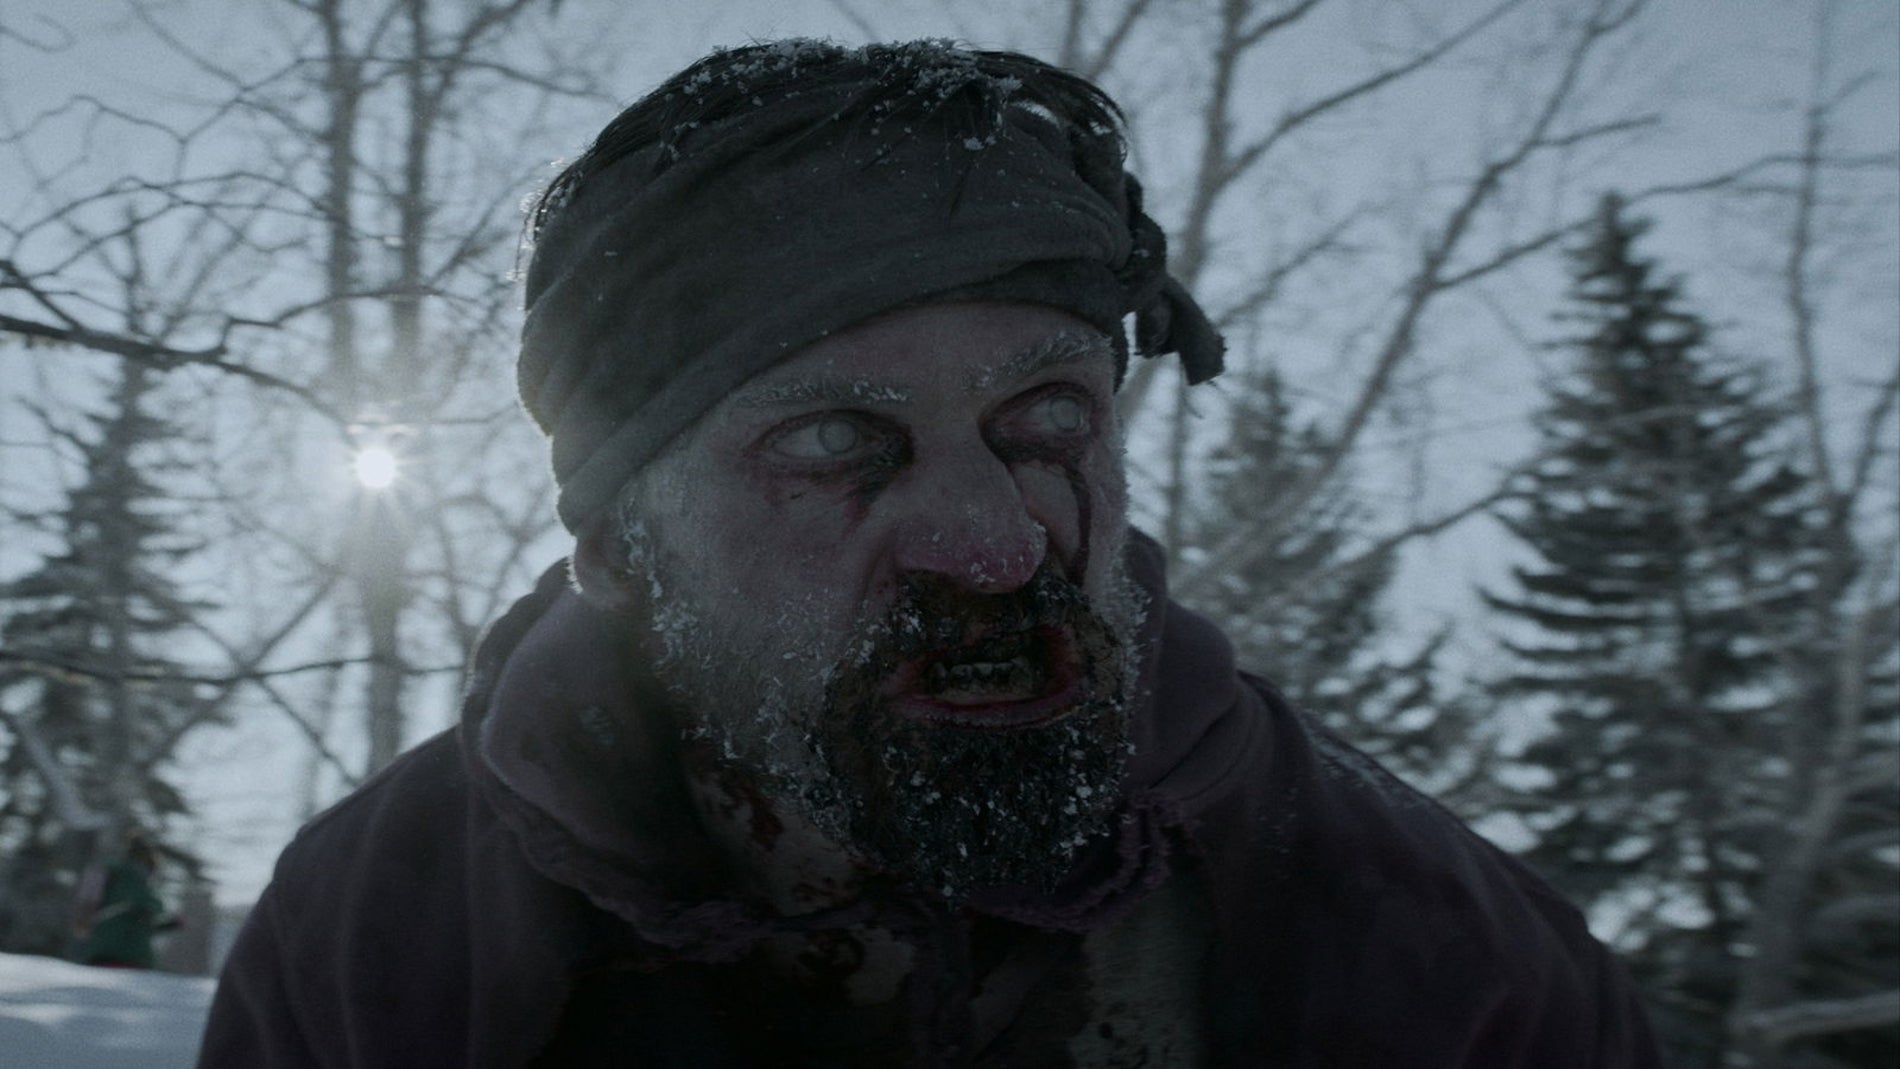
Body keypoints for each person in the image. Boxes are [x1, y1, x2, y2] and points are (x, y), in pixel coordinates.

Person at [200, 40, 1662, 1067]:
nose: (994, 541)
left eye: (1047, 420)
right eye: (838, 441)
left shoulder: (1442, 962)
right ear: (619, 552)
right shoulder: (378, 934)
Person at [76, 832, 169, 969]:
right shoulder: (134, 879)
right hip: (129, 953)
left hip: (101, 946)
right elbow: (150, 908)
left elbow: (88, 896)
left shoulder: (107, 869)